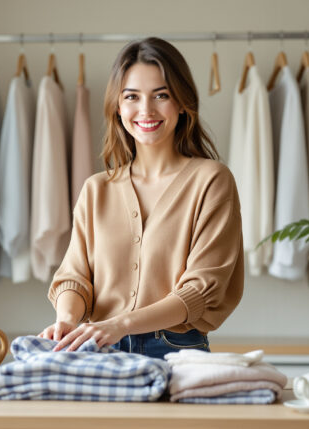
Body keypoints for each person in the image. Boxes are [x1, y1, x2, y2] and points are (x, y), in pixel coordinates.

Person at [37, 37, 244, 359]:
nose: (146, 110)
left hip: (176, 351)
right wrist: (66, 319)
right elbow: (74, 277)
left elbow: (200, 290)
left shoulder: (211, 181)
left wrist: (120, 325)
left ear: (181, 102)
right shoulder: (97, 189)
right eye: (132, 96)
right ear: (118, 107)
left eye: (161, 95)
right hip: (98, 349)